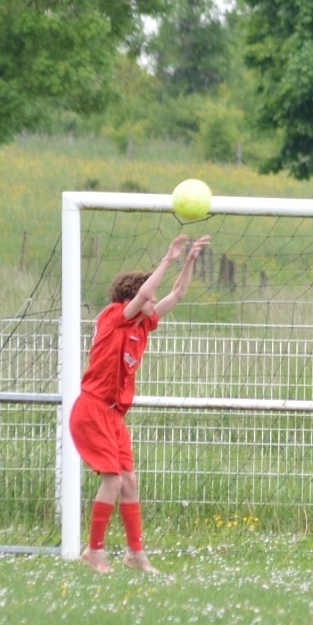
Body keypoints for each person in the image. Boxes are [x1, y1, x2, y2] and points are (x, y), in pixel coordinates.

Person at [71, 233, 211, 574]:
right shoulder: (114, 316)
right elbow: (147, 293)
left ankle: (136, 555)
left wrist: (189, 261)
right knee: (113, 481)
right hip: (92, 409)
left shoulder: (142, 325)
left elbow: (177, 294)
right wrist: (167, 258)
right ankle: (93, 552)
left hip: (114, 415)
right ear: (133, 298)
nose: (154, 302)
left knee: (129, 481)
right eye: (148, 298)